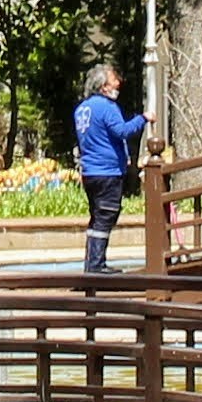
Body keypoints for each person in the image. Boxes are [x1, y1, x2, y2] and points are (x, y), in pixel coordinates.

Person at [73, 66, 145, 277]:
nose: (118, 84)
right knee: (106, 215)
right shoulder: (107, 107)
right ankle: (96, 265)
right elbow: (121, 130)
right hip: (107, 171)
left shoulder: (82, 109)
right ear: (103, 86)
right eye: (114, 80)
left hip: (90, 171)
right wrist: (143, 118)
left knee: (97, 216)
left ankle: (93, 263)